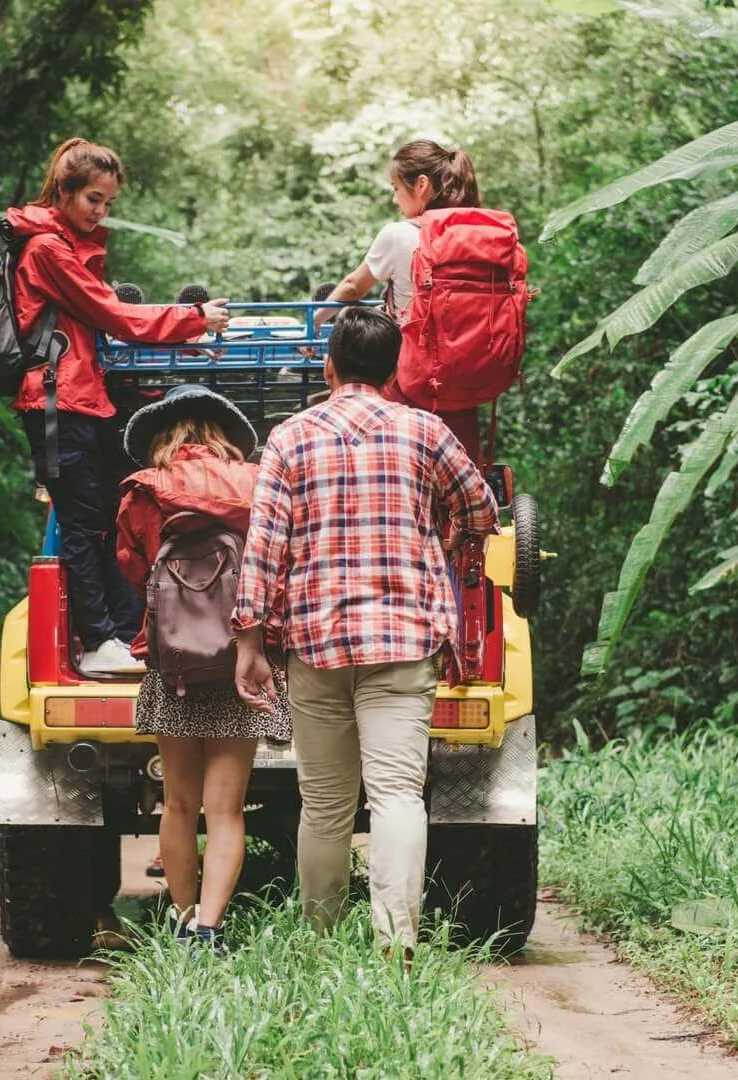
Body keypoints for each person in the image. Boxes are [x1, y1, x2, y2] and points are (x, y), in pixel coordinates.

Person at [231, 307, 498, 956]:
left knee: (324, 804)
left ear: (328, 368)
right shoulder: (424, 431)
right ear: (394, 370)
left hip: (316, 645)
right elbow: (482, 509)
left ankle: (322, 943)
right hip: (404, 643)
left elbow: (264, 547)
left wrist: (249, 643)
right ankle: (396, 941)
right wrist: (446, 527)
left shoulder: (290, 438)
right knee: (397, 795)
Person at [7, 138, 231, 678]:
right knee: (81, 523)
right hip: (58, 401)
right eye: (93, 199)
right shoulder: (48, 251)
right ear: (63, 191)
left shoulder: (64, 245)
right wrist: (193, 319)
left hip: (80, 398)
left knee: (102, 517)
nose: (101, 212)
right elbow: (115, 315)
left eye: (108, 203)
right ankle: (97, 639)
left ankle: (120, 633)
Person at [114, 385, 293, 948]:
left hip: (173, 668)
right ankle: (210, 928)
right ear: (223, 435)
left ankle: (183, 916)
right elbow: (275, 565)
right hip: (242, 658)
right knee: (226, 809)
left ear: (162, 436)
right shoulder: (254, 482)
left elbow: (134, 569)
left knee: (178, 803)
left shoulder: (143, 490)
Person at [318, 138, 487, 459]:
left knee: (398, 463)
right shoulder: (478, 236)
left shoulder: (400, 234)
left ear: (421, 185)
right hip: (467, 379)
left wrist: (315, 319)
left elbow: (353, 287)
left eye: (396, 188)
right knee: (462, 465)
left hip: (413, 380)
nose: (395, 198)